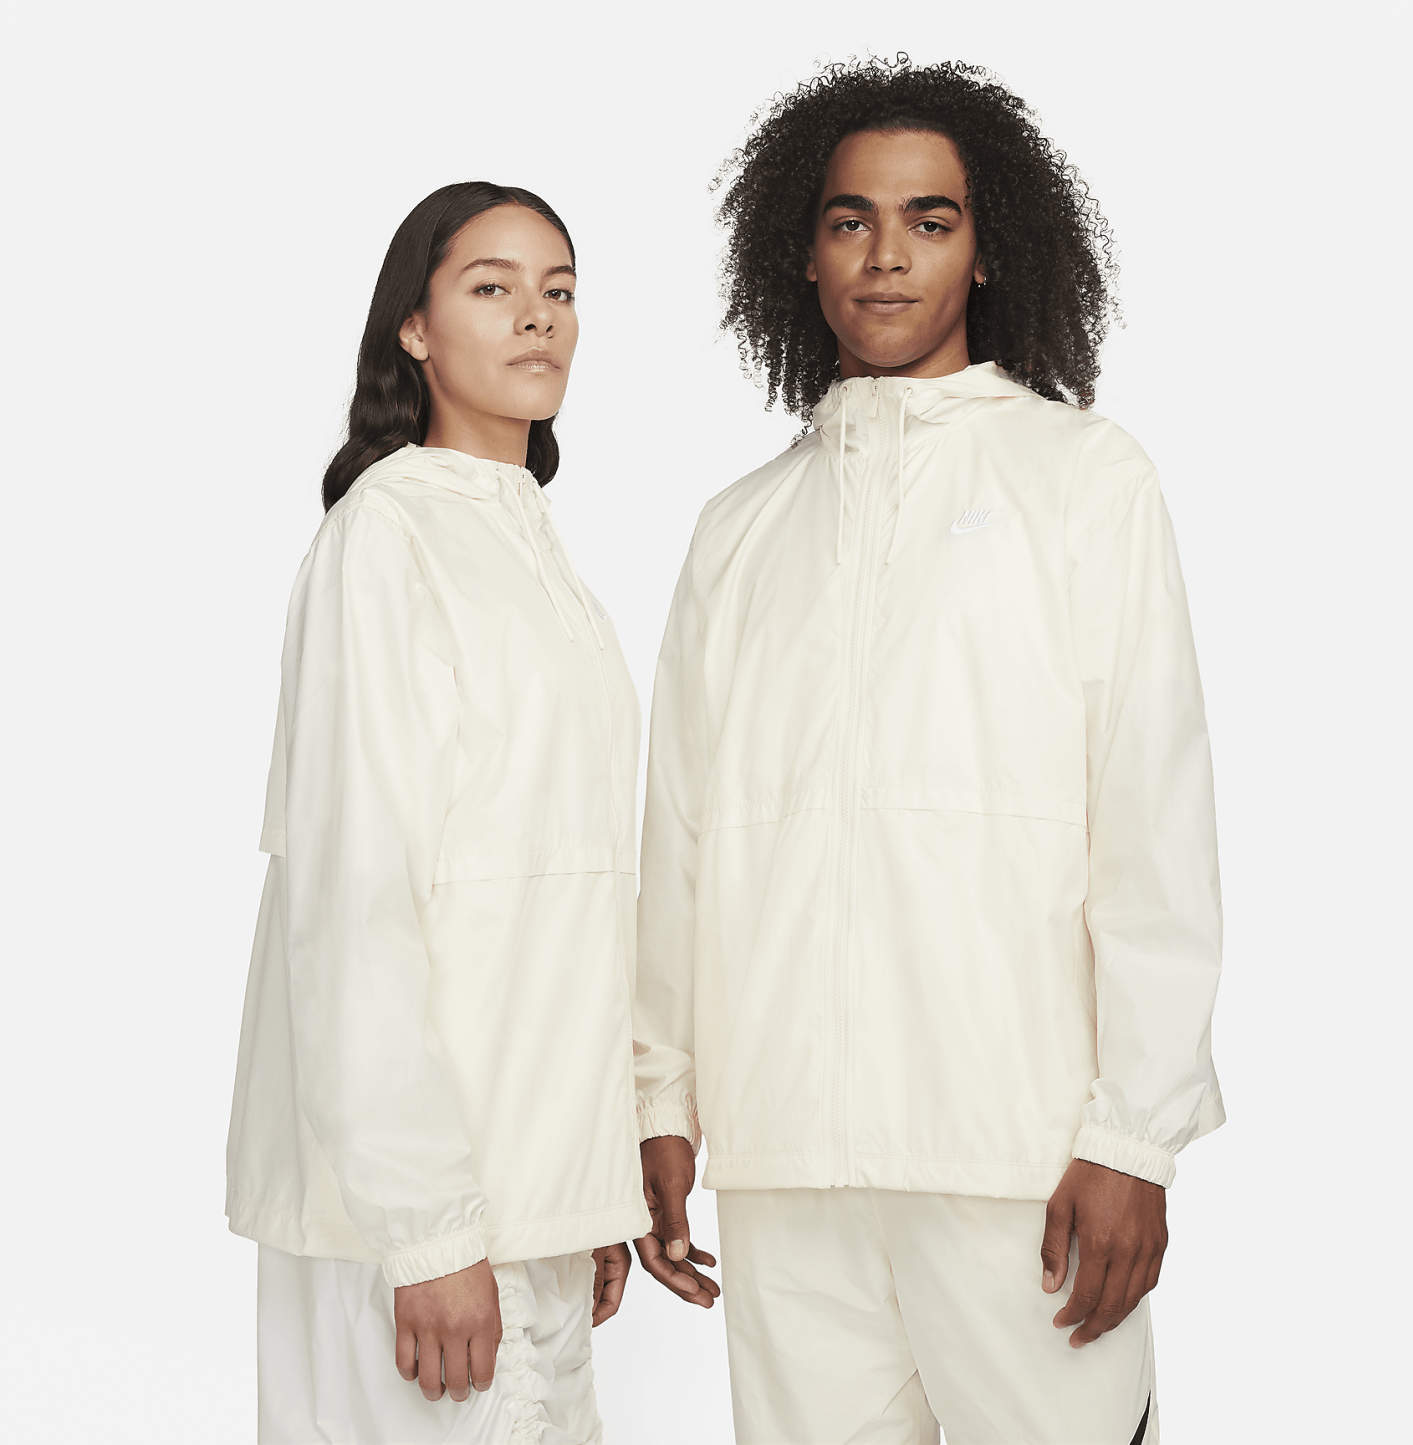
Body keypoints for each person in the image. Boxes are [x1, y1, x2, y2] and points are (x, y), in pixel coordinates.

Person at [631, 58, 1224, 1445]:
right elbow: (679, 835)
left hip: (1013, 1154)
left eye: (929, 220)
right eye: (850, 220)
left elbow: (1150, 815)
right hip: (786, 1163)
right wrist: (659, 1095)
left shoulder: (1083, 480)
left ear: (986, 248)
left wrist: (1133, 1137)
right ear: (803, 252)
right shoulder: (740, 528)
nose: (885, 254)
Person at [225, 181, 648, 1444]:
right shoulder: (386, 538)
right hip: (422, 1225)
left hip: (527, 1206)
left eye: (558, 290)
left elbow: (565, 900)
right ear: (413, 327)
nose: (537, 316)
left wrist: (587, 1181)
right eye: (491, 286)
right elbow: (354, 898)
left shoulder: (528, 547)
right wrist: (425, 1231)